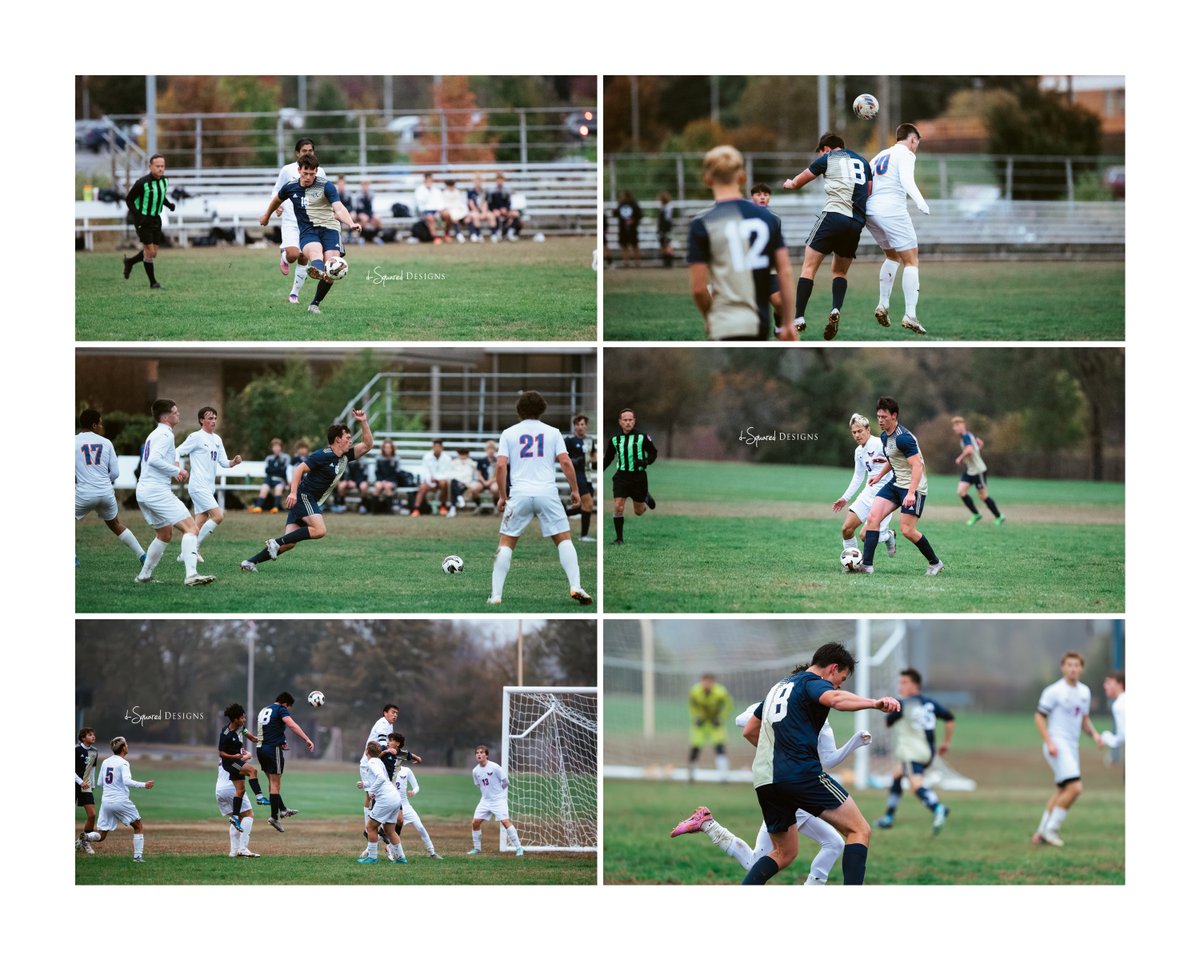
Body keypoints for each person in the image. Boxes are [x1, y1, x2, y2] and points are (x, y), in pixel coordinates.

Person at [740, 642, 900, 885]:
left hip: (766, 780)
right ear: (833, 668)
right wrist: (874, 703)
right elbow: (835, 699)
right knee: (859, 830)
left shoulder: (778, 688)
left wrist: (781, 755)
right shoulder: (812, 682)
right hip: (800, 773)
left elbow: (750, 730)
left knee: (784, 852)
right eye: (841, 679)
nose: (838, 686)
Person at [670, 707, 873, 885]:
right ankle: (708, 825)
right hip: (790, 788)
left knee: (832, 844)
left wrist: (855, 742)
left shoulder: (823, 720)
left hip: (797, 790)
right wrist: (773, 722)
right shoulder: (786, 701)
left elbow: (829, 759)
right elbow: (741, 720)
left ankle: (708, 823)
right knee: (765, 860)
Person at [488, 390, 593, 606]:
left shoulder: (509, 433)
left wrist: (502, 496)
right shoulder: (553, 432)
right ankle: (575, 586)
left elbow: (500, 466)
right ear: (542, 410)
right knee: (564, 540)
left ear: (519, 410)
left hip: (519, 494)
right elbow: (566, 462)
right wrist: (575, 490)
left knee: (506, 543)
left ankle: (496, 595)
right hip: (547, 493)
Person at [241, 411, 373, 573]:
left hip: (308, 499)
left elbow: (367, 445)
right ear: (338, 439)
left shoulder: (345, 456)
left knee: (289, 543)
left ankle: (250, 562)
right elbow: (299, 469)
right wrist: (292, 493)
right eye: (348, 437)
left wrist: (363, 421)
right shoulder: (322, 455)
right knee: (320, 530)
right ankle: (275, 542)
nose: (351, 440)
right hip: (304, 496)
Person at [688, 145, 796, 341]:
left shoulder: (701, 223)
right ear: (742, 177)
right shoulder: (767, 218)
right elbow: (785, 272)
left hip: (723, 323)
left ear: (707, 179)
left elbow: (698, 288)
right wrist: (788, 323)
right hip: (758, 322)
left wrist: (710, 318)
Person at [782, 132, 872, 340]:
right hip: (855, 224)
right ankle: (835, 308)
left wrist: (789, 184)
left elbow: (798, 182)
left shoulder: (828, 158)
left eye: (821, 152)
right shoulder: (863, 162)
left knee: (808, 268)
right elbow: (868, 192)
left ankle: (799, 317)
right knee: (839, 271)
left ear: (827, 149)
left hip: (833, 216)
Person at [259, 154, 361, 315]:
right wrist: (266, 216)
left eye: (312, 174)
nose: (308, 177)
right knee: (316, 253)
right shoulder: (290, 187)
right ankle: (318, 270)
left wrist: (351, 223)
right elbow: (277, 200)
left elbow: (339, 208)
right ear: (299, 170)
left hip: (330, 229)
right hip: (308, 230)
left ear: (316, 172)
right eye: (305, 173)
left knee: (332, 267)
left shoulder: (326, 186)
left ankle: (315, 303)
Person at [134, 398, 216, 587]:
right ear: (165, 417)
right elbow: (154, 460)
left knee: (164, 533)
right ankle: (191, 575)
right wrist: (177, 470)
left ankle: (144, 576)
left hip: (144, 491)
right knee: (192, 529)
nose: (178, 414)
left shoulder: (155, 434)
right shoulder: (165, 435)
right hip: (157, 491)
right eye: (175, 412)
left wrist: (173, 468)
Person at [858, 396, 943, 576]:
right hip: (895, 483)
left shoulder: (903, 438)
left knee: (907, 530)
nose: (880, 420)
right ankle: (867, 567)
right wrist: (879, 475)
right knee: (873, 518)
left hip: (914, 487)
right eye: (878, 416)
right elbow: (894, 459)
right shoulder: (884, 436)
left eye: (884, 417)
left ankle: (935, 563)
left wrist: (911, 493)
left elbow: (917, 465)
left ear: (894, 416)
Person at [866, 123, 930, 336]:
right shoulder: (906, 154)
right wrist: (920, 202)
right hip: (891, 210)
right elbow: (906, 180)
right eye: (917, 142)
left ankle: (883, 304)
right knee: (911, 260)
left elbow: (866, 183)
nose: (916, 147)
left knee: (893, 256)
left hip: (870, 212)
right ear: (912, 139)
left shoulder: (879, 156)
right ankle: (910, 314)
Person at [1033, 651, 1103, 847]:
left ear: (1081, 669)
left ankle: (1041, 832)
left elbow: (1083, 719)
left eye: (1076, 665)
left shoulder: (1084, 692)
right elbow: (1039, 717)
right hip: (1057, 743)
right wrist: (1049, 742)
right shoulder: (1054, 691)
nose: (1073, 669)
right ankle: (1051, 830)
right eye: (1069, 665)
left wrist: (1095, 735)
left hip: (1072, 746)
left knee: (1062, 790)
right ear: (1062, 668)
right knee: (1075, 788)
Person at [875, 668, 955, 833]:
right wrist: (946, 743)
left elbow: (887, 723)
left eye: (904, 682)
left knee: (916, 785)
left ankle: (937, 808)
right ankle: (888, 817)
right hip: (928, 752)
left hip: (912, 752)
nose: (900, 686)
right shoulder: (930, 703)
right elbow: (950, 718)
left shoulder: (903, 704)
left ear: (916, 685)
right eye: (900, 682)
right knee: (897, 774)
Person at [75, 409, 146, 566]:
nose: (102, 426)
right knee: (115, 525)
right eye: (100, 423)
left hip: (84, 493)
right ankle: (142, 555)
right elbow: (115, 473)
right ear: (94, 425)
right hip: (106, 493)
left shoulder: (74, 442)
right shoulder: (107, 443)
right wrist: (101, 482)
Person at [175, 406, 243, 564]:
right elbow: (177, 451)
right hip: (198, 485)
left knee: (199, 521)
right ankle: (194, 548)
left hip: (208, 487)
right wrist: (178, 468)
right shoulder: (196, 437)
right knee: (218, 516)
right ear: (201, 420)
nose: (213, 421)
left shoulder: (217, 439)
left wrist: (234, 462)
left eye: (215, 418)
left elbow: (223, 462)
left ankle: (185, 553)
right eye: (210, 418)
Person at [78, 737, 156, 862]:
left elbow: (99, 782)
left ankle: (86, 837)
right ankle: (137, 857)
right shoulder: (123, 763)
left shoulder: (106, 762)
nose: (128, 746)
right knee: (138, 827)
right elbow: (126, 781)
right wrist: (144, 785)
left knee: (102, 834)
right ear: (123, 748)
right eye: (126, 744)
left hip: (106, 802)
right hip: (120, 801)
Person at [833, 413, 896, 562]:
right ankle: (853, 563)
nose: (857, 435)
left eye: (860, 431)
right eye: (854, 432)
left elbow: (898, 460)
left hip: (885, 495)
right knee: (846, 529)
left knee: (865, 536)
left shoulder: (880, 443)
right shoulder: (859, 451)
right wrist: (845, 498)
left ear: (868, 429)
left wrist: (887, 462)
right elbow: (858, 476)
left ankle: (889, 535)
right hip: (868, 493)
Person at [271, 138, 328, 304]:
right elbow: (277, 190)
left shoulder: (320, 172)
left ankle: (294, 293)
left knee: (303, 256)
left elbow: (325, 194)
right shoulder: (287, 170)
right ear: (297, 153)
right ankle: (284, 257)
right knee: (293, 255)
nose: (307, 153)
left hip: (309, 222)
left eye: (310, 151)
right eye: (304, 151)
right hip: (291, 219)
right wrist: (277, 206)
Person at [254, 692, 315, 832]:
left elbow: (269, 729)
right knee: (276, 784)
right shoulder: (281, 709)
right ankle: (274, 817)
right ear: (286, 704)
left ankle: (282, 809)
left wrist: (281, 741)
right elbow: (292, 725)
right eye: (288, 708)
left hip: (260, 749)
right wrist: (307, 739)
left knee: (271, 783)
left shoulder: (264, 709)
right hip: (272, 750)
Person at [604, 408, 657, 545]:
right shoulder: (615, 440)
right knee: (618, 507)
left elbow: (653, 453)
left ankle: (645, 497)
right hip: (621, 477)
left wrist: (645, 461)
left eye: (630, 420)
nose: (628, 422)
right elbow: (608, 458)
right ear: (620, 422)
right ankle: (619, 539)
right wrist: (600, 470)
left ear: (634, 421)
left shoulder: (642, 437)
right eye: (625, 420)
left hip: (639, 478)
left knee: (639, 512)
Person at [122, 154, 175, 289]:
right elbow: (129, 200)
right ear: (150, 166)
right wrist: (138, 215)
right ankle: (153, 283)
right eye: (157, 166)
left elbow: (160, 196)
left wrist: (169, 205)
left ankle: (130, 262)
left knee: (153, 253)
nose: (160, 169)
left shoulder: (165, 180)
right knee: (149, 252)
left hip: (156, 219)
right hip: (143, 221)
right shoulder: (142, 183)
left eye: (162, 166)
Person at [218, 703, 268, 834]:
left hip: (236, 761)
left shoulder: (241, 728)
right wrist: (234, 756)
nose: (244, 720)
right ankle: (259, 797)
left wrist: (264, 740)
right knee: (252, 771)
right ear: (235, 719)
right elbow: (221, 753)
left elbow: (252, 738)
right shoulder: (226, 733)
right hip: (230, 763)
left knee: (240, 790)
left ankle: (235, 817)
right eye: (242, 718)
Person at [468, 745, 524, 856]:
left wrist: (498, 793)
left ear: (486, 755)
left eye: (481, 752)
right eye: (477, 753)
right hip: (485, 801)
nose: (479, 754)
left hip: (498, 800)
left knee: (505, 822)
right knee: (475, 822)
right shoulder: (475, 771)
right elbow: (479, 785)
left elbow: (506, 782)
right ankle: (477, 849)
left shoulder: (495, 767)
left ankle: (519, 848)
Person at [749, 182, 789, 335]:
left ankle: (779, 326)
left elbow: (777, 246)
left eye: (765, 194)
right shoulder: (744, 217)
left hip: (770, 269)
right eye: (758, 194)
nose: (762, 197)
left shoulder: (775, 219)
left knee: (779, 302)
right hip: (749, 270)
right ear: (752, 197)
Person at [356, 742, 405, 864]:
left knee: (370, 827)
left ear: (367, 751)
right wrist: (365, 784)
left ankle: (372, 858)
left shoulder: (372, 762)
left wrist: (371, 791)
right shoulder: (379, 761)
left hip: (386, 799)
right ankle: (401, 858)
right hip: (395, 797)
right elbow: (382, 779)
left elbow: (381, 779)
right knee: (390, 830)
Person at [952, 416, 1005, 526]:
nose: (954, 428)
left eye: (957, 425)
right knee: (961, 492)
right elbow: (980, 443)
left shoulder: (966, 436)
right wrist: (976, 451)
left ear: (962, 425)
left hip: (978, 470)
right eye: (954, 426)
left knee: (983, 496)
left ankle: (999, 516)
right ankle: (976, 514)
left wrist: (960, 458)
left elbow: (969, 449)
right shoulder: (969, 435)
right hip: (970, 469)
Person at [687, 673, 733, 781]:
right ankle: (691, 774)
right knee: (695, 747)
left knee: (719, 747)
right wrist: (696, 717)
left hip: (714, 723)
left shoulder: (721, 692)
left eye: (709, 682)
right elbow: (691, 705)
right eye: (705, 681)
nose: (707, 684)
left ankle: (724, 776)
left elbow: (729, 705)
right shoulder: (695, 691)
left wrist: (721, 718)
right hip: (701, 724)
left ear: (713, 682)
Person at [396, 757, 443, 859]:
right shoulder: (387, 770)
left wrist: (413, 792)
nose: (397, 759)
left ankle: (432, 852)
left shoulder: (406, 771)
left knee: (420, 827)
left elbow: (416, 787)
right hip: (392, 806)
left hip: (405, 806)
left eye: (399, 757)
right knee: (385, 832)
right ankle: (370, 851)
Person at [215, 761, 260, 858]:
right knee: (248, 815)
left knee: (238, 818)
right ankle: (243, 849)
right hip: (233, 788)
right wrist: (247, 756)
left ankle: (234, 852)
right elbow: (241, 765)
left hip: (219, 789)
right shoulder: (234, 756)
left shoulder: (223, 756)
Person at [564, 414, 595, 541]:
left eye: (582, 424)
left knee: (586, 506)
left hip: (587, 474)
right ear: (574, 426)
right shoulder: (569, 440)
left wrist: (596, 462)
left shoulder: (589, 440)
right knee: (588, 503)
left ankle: (561, 514)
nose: (580, 427)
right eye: (577, 424)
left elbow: (593, 456)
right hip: (576, 475)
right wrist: (574, 461)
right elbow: (561, 457)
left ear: (586, 426)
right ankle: (584, 536)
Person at [412, 439, 454, 516]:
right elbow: (425, 471)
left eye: (439, 447)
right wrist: (430, 480)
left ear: (442, 447)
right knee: (422, 487)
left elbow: (448, 473)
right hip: (429, 480)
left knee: (444, 484)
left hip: (441, 481)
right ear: (433, 447)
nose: (437, 449)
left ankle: (443, 506)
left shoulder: (447, 458)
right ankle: (416, 509)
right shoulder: (427, 457)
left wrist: (438, 479)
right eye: (435, 447)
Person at [75, 727, 100, 855]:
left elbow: (93, 768)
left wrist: (92, 784)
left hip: (86, 786)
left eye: (93, 734)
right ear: (83, 738)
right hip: (75, 784)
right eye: (90, 735)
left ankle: (85, 841)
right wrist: (80, 781)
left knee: (92, 815)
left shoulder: (94, 751)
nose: (93, 736)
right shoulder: (75, 749)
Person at [249, 438, 289, 513]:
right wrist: (277, 469)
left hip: (280, 479)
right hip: (269, 479)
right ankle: (258, 507)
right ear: (272, 448)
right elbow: (267, 470)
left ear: (281, 447)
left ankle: (275, 508)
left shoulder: (285, 457)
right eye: (274, 447)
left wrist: (274, 470)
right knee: (264, 487)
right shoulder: (269, 458)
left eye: (278, 446)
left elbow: (283, 471)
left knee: (278, 488)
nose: (276, 448)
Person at [1099, 670, 1125, 759]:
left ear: (1120, 684)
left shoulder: (1119, 705)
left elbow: (1123, 736)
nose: (1105, 686)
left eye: (1108, 683)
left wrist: (1105, 736)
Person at [488, 173, 522, 241]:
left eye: (501, 180)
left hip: (505, 211)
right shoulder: (492, 191)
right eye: (498, 180)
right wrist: (495, 210)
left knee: (516, 214)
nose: (500, 182)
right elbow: (490, 204)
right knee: (495, 214)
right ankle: (496, 233)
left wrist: (506, 209)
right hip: (496, 211)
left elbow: (509, 203)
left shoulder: (507, 191)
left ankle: (511, 232)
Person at [447, 448, 478, 516]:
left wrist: (470, 484)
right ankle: (459, 498)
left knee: (453, 486)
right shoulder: (454, 463)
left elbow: (475, 476)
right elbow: (451, 475)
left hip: (467, 484)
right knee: (453, 482)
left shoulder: (472, 463)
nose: (462, 456)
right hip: (457, 483)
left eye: (464, 454)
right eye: (461, 454)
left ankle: (453, 508)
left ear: (467, 455)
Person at [615, 190, 643, 264]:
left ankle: (637, 261)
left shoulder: (634, 204)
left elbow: (639, 215)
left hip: (632, 228)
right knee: (624, 245)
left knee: (634, 245)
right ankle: (626, 261)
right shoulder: (621, 204)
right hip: (623, 228)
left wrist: (633, 220)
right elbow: (616, 214)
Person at [656, 191, 675, 267]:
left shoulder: (667, 207)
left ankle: (668, 261)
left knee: (667, 243)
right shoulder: (664, 207)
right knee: (664, 244)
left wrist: (663, 229)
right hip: (664, 228)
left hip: (665, 228)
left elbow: (667, 219)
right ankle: (666, 260)